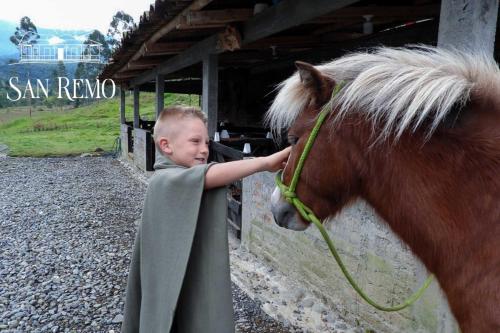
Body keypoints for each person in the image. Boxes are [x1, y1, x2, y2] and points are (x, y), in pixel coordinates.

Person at [121, 106, 290, 333]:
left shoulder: (179, 177)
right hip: (169, 281)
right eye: (195, 142)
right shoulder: (164, 181)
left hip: (187, 273)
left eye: (207, 143)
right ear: (166, 145)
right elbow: (212, 174)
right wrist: (264, 162)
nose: (204, 150)